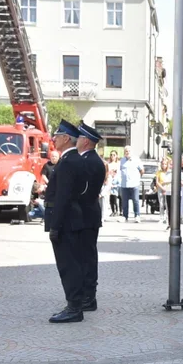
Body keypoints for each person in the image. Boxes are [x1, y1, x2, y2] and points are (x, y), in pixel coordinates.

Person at [45, 120, 86, 323]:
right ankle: (74, 304)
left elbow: (63, 197)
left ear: (66, 138)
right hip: (72, 219)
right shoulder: (72, 159)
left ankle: (74, 308)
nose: (54, 139)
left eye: (58, 135)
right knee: (72, 263)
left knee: (68, 265)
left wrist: (55, 226)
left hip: (66, 221)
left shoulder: (68, 162)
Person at [77, 123, 107, 312]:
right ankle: (87, 295)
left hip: (86, 215)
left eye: (79, 138)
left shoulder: (89, 161)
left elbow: (83, 191)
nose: (76, 140)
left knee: (87, 256)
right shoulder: (90, 159)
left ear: (86, 141)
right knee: (86, 255)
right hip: (88, 214)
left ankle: (88, 297)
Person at [117, 146, 144, 223]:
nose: (127, 152)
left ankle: (137, 215)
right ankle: (125, 216)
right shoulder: (122, 160)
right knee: (124, 201)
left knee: (135, 200)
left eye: (128, 151)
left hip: (134, 184)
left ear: (131, 152)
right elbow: (120, 171)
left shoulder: (136, 160)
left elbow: (142, 170)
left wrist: (137, 178)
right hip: (124, 184)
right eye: (126, 151)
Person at [155, 157, 174, 227]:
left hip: (168, 188)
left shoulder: (169, 172)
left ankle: (167, 217)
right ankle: (161, 217)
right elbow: (157, 182)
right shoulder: (159, 172)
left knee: (167, 204)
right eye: (162, 164)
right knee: (161, 204)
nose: (164, 165)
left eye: (165, 164)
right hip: (160, 187)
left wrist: (166, 187)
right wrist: (162, 188)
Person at [106, 151, 120, 217]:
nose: (112, 156)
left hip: (116, 181)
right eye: (111, 155)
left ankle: (117, 211)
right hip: (110, 181)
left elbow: (119, 173)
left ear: (116, 156)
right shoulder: (109, 164)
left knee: (115, 198)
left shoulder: (118, 164)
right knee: (110, 199)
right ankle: (112, 211)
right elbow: (108, 172)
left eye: (114, 155)